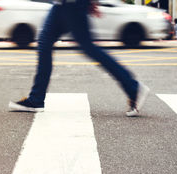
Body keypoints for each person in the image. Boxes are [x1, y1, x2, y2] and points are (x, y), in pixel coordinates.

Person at [8, 0, 150, 117]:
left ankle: (133, 88)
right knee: (46, 43)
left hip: (71, 4)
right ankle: (36, 99)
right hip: (63, 5)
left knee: (87, 47)